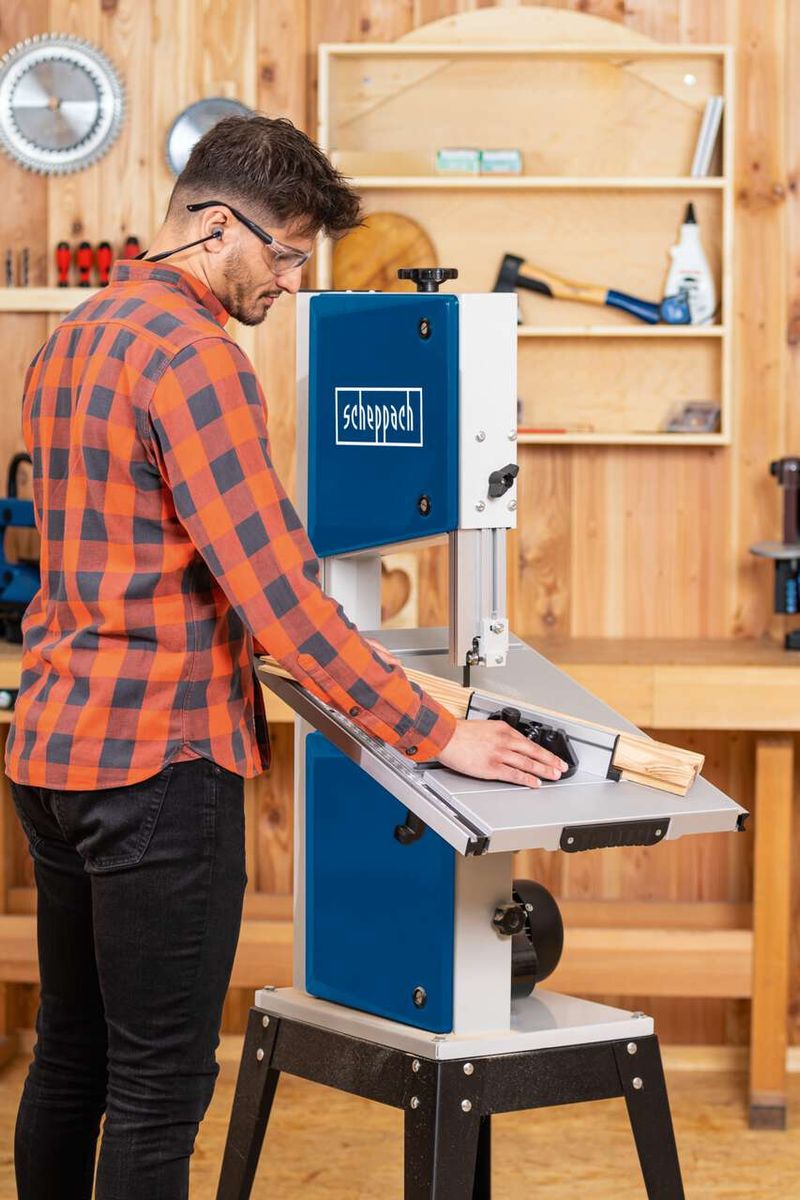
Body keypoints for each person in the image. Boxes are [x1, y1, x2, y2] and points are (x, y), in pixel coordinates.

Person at [5, 115, 566, 1200]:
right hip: (156, 764)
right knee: (160, 1086)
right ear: (216, 225)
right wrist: (440, 730)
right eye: (287, 252)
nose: (296, 281)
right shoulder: (197, 358)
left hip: (51, 755)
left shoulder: (74, 334)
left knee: (71, 1052)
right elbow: (286, 614)